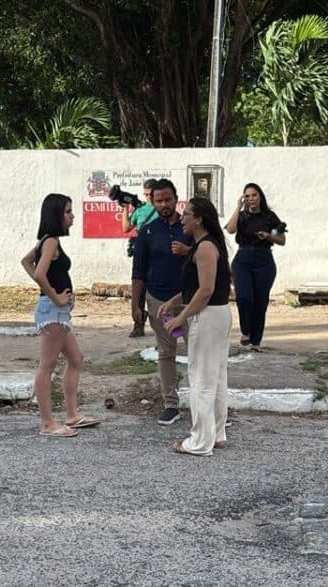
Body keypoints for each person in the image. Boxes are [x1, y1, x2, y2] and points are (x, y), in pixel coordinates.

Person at [159, 197, 233, 456]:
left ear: (199, 219)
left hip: (209, 316)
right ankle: (216, 434)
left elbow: (205, 291)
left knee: (202, 377)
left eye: (187, 214)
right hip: (216, 314)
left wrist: (181, 317)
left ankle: (200, 441)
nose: (182, 218)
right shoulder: (204, 246)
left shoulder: (205, 248)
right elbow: (195, 287)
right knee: (216, 376)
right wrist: (173, 301)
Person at [20, 193, 98, 437]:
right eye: (67, 211)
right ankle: (47, 423)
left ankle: (72, 414)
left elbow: (26, 262)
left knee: (76, 359)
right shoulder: (50, 241)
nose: (72, 216)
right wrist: (56, 296)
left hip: (59, 312)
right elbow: (40, 273)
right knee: (47, 365)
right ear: (56, 214)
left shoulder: (47, 241)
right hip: (53, 310)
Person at [131, 178, 193, 425]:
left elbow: (207, 257)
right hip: (157, 300)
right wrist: (135, 305)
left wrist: (187, 252)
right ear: (152, 202)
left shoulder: (189, 228)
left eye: (168, 199)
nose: (164, 204)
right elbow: (138, 272)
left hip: (189, 301)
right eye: (159, 201)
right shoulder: (147, 232)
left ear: (176, 198)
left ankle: (205, 404)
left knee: (197, 353)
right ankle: (170, 404)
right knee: (166, 353)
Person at [224, 183, 286, 350]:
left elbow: (282, 240)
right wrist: (238, 207)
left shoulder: (269, 216)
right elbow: (230, 230)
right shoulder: (242, 216)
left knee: (260, 301)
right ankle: (246, 331)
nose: (251, 199)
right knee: (244, 297)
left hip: (263, 259)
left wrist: (268, 236)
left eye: (254, 195)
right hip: (243, 258)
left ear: (260, 197)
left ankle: (256, 340)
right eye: (247, 196)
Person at [121, 178, 158, 338]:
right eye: (146, 194)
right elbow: (126, 227)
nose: (148, 197)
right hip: (141, 252)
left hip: (158, 253)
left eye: (150, 194)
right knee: (139, 289)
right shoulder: (140, 209)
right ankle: (138, 324)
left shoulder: (162, 208)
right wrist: (125, 209)